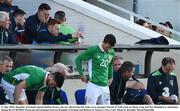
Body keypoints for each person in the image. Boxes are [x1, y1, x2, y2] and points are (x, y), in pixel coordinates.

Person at [76, 34, 116, 105]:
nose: (108, 49)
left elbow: (110, 64)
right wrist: (81, 74)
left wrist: (111, 77)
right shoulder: (93, 50)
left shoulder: (112, 52)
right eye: (107, 47)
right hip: (93, 85)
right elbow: (78, 59)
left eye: (110, 48)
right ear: (104, 42)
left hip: (105, 85)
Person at [1, 65, 65, 104]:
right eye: (52, 84)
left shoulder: (46, 82)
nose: (51, 86)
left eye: (54, 86)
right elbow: (18, 87)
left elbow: (39, 99)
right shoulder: (37, 77)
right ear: (51, 77)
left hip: (18, 84)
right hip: (9, 81)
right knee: (21, 105)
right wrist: (15, 106)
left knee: (25, 106)